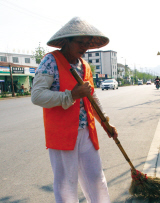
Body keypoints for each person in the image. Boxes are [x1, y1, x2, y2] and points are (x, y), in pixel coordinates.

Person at [31, 17, 117, 203]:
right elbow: (37, 96)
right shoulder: (50, 61)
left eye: (87, 44)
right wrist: (70, 95)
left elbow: (91, 96)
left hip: (86, 131)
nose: (84, 48)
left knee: (96, 178)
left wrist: (105, 122)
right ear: (66, 41)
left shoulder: (84, 65)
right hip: (62, 134)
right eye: (80, 43)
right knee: (66, 184)